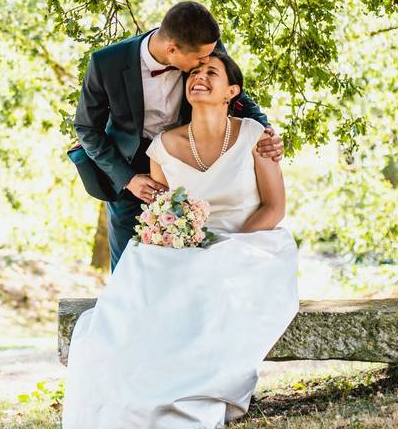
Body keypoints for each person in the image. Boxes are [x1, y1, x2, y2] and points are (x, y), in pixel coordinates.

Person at [62, 50, 300, 428]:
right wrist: (175, 237)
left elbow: (274, 208)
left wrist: (230, 247)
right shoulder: (161, 146)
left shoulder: (256, 136)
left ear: (231, 91)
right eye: (194, 72)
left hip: (253, 246)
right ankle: (136, 395)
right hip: (190, 249)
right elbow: (164, 210)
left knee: (202, 289)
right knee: (134, 302)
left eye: (212, 72)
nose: (199, 77)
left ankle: (190, 392)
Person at [71, 1, 283, 271]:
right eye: (198, 61)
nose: (205, 63)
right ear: (171, 49)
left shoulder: (203, 46)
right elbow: (87, 129)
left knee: (184, 267)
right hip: (130, 172)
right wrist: (128, 179)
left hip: (185, 164)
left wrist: (266, 132)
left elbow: (236, 95)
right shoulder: (106, 63)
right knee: (129, 268)